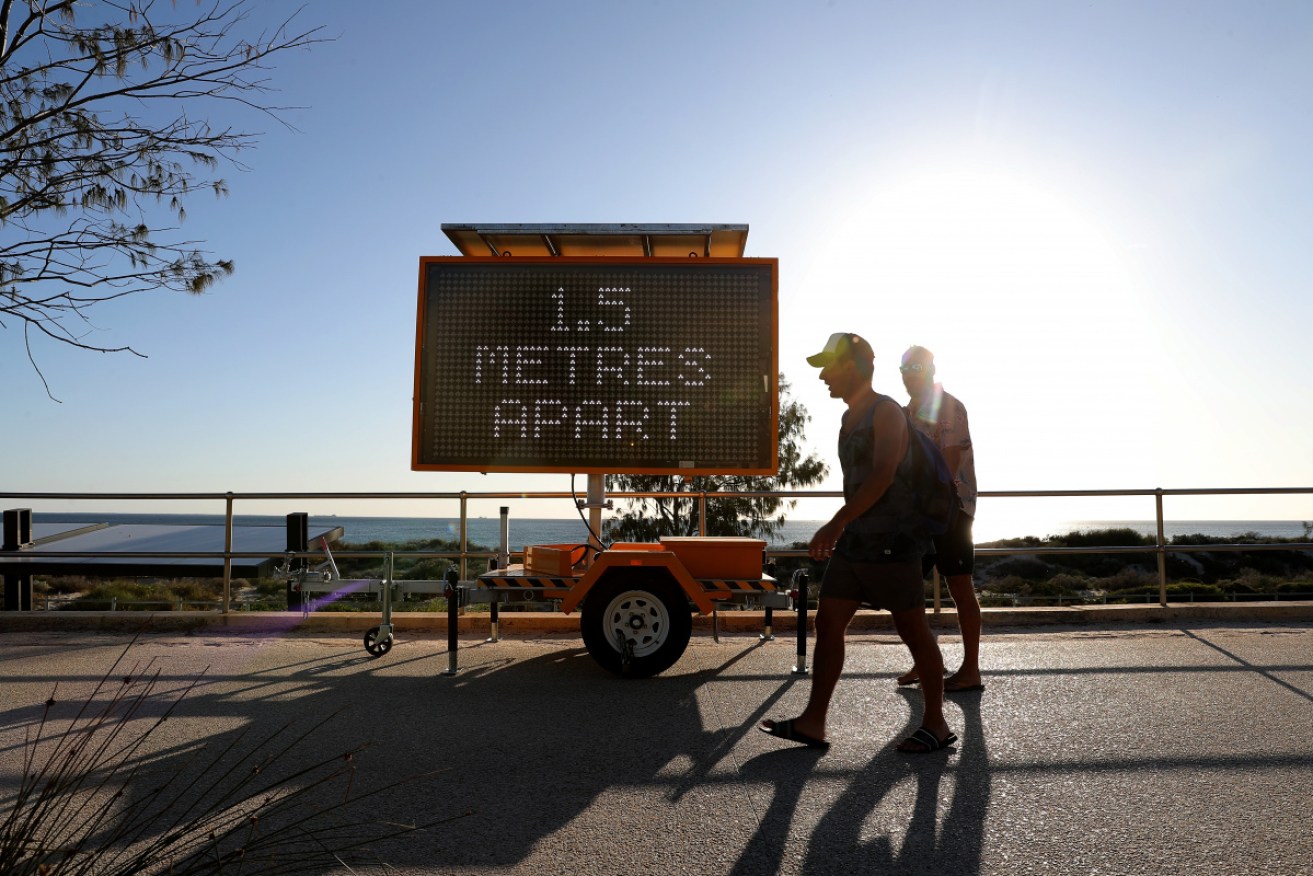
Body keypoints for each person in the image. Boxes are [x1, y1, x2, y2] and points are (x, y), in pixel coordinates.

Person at [760, 332, 956, 754]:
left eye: (829, 367)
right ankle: (814, 721)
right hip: (858, 541)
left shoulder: (886, 412)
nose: (824, 377)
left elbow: (883, 475)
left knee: (912, 630)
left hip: (895, 541)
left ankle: (936, 724)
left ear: (853, 365)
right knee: (827, 622)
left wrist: (834, 523)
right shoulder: (849, 419)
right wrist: (846, 527)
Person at [895, 345, 983, 692]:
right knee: (908, 586)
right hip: (918, 512)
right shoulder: (907, 412)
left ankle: (971, 669)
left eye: (916, 367)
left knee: (959, 586)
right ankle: (926, 661)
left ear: (930, 369)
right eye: (904, 368)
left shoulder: (948, 406)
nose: (910, 374)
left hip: (951, 508)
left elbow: (947, 462)